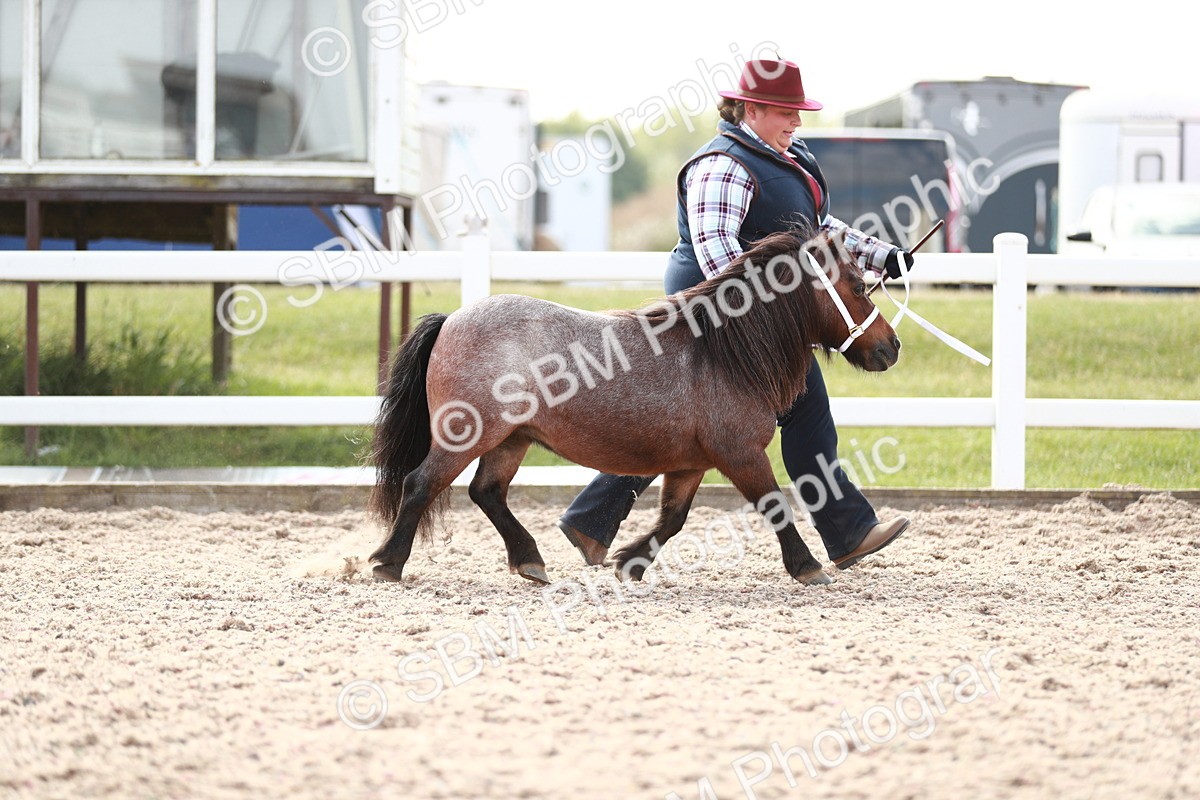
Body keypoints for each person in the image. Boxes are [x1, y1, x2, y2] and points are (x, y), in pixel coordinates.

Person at [557, 57, 913, 574]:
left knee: (690, 425)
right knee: (789, 412)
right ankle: (848, 531)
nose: (796, 122)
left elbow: (821, 229)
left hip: (768, 312)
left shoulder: (789, 157)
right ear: (751, 108)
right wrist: (782, 312)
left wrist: (883, 256)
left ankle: (591, 520)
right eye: (786, 111)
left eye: (799, 112)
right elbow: (715, 252)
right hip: (716, 313)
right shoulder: (722, 166)